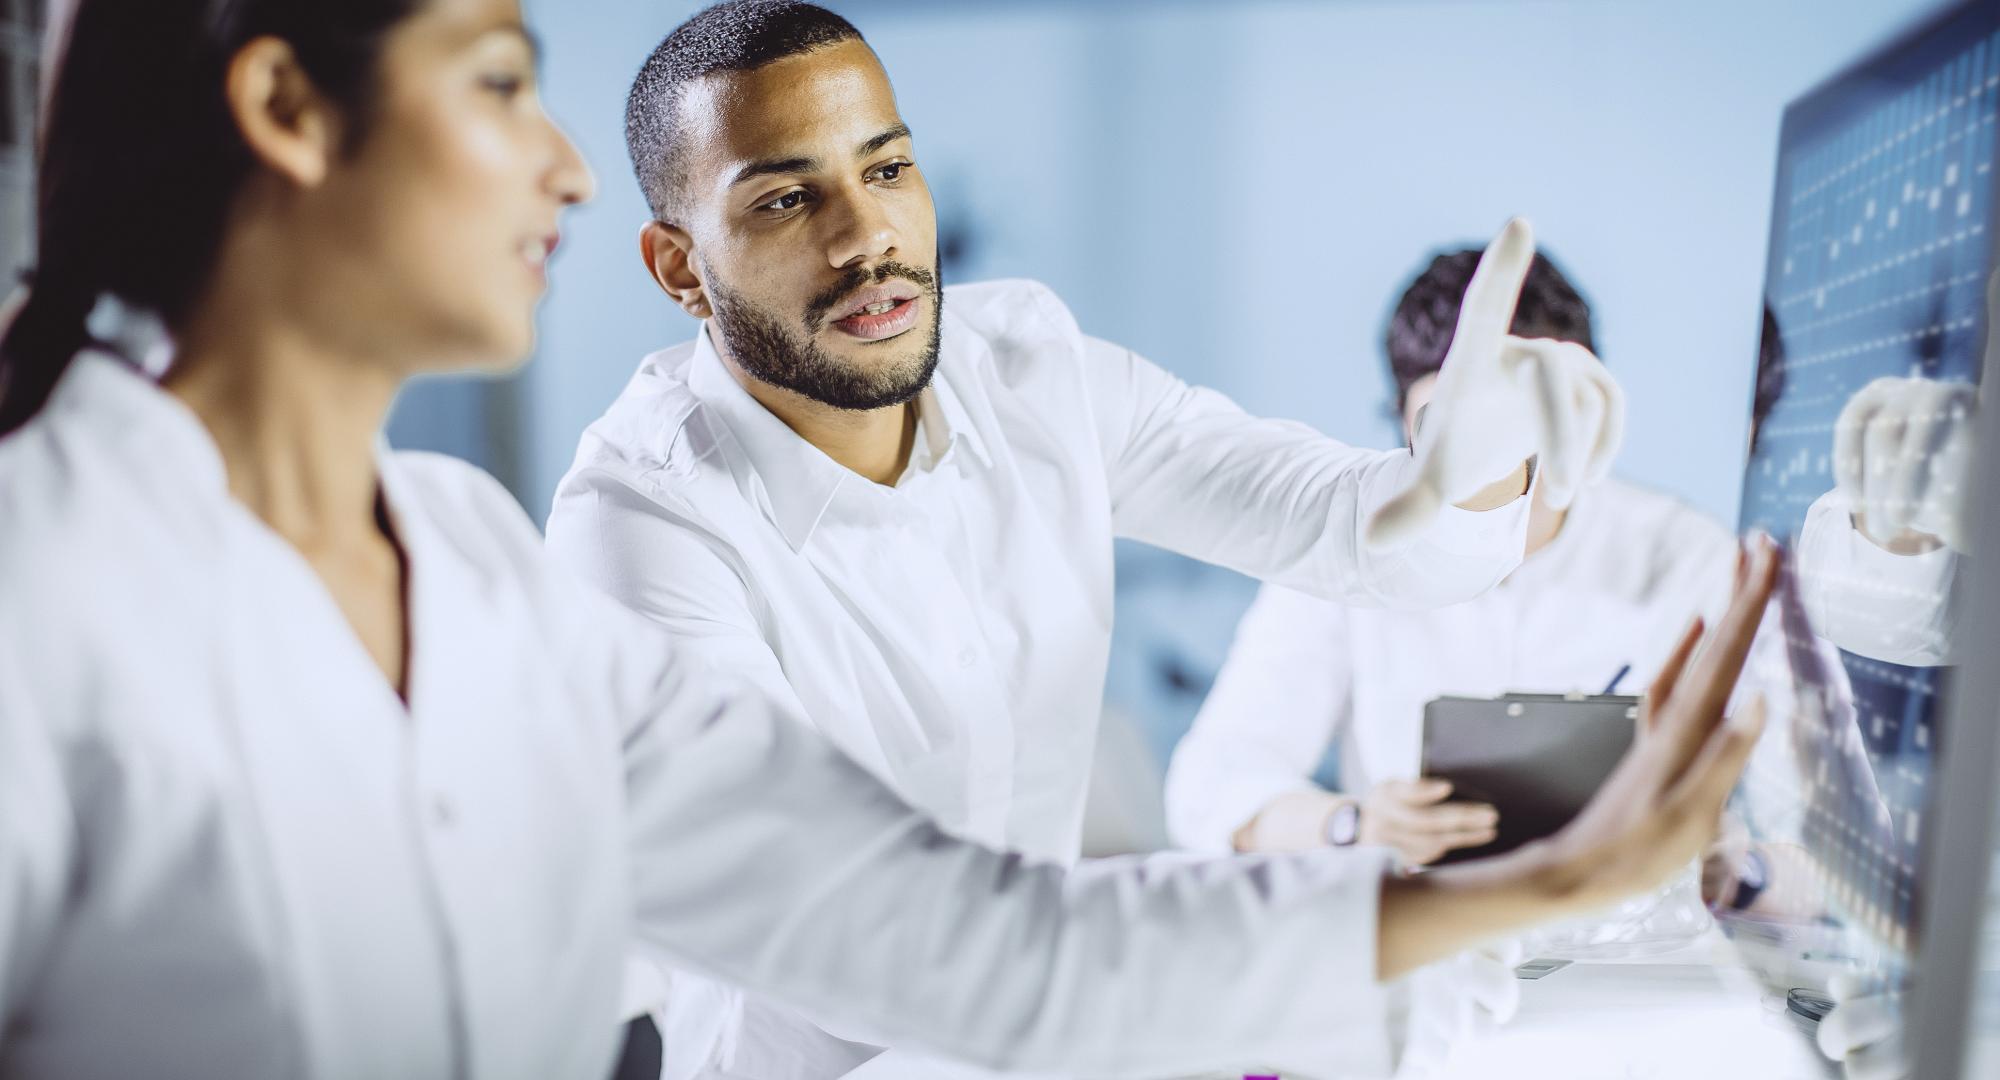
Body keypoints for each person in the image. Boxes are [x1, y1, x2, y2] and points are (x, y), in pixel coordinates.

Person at [0, 1, 1774, 1078]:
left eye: (890, 168)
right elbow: (927, 970)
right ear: (289, 115)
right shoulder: (66, 592)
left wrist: (1466, 491)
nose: (553, 163)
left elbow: (988, 936)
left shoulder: (461, 558)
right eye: (496, 82)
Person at [546, 5, 1623, 1074]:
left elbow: (1364, 534)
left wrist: (1479, 457)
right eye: (786, 198)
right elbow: (886, 937)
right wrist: (1365, 936)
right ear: (680, 267)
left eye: (885, 170)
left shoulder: (1026, 363)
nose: (864, 235)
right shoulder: (639, 529)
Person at [1165, 249, 1801, 908]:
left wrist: (1735, 868)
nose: (1485, 461)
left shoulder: (1691, 558)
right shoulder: (1343, 552)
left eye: (1512, 424)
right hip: (1422, 941)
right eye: (1449, 429)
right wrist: (1352, 826)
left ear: (1583, 413)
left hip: (1631, 962)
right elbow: (1207, 788)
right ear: (1405, 427)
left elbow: (1816, 837)